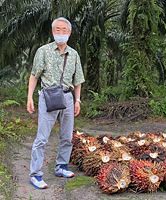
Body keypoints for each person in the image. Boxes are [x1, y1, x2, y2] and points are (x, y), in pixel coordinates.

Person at [26, 17, 85, 189]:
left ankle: (61, 166)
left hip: (67, 97)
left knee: (67, 136)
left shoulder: (74, 54)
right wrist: (30, 97)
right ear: (52, 32)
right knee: (42, 138)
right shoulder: (43, 51)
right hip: (48, 96)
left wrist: (77, 100)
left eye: (64, 30)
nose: (60, 33)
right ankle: (35, 174)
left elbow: (78, 80)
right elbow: (34, 75)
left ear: (69, 32)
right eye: (57, 30)